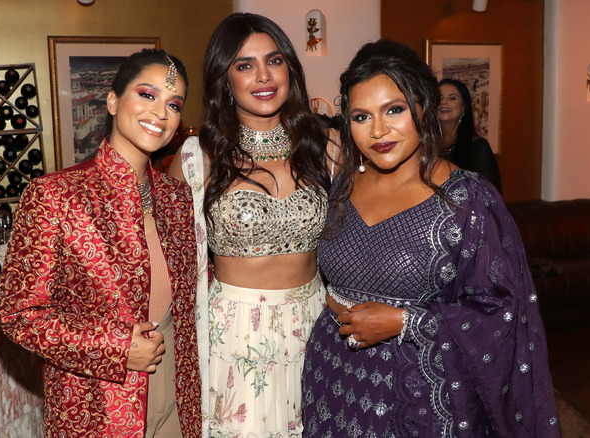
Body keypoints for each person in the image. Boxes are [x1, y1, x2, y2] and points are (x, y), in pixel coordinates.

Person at [301, 39, 561, 437]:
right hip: (335, 375)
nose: (378, 131)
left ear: (422, 106)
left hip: (421, 397)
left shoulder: (469, 200)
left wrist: (404, 322)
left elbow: (502, 312)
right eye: (361, 116)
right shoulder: (344, 183)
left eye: (394, 110)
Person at [0, 49, 201, 437]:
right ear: (112, 100)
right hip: (98, 401)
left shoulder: (177, 198)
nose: (160, 112)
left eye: (173, 104)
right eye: (147, 94)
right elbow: (18, 315)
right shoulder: (55, 195)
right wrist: (116, 348)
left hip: (177, 389)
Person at [169, 12, 338, 437]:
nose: (264, 76)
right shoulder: (197, 157)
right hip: (236, 336)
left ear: (290, 68)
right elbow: (171, 260)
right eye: (244, 65)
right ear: (223, 79)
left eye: (274, 60)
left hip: (317, 326)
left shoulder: (325, 145)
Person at [438, 78, 502, 192]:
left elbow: (489, 196)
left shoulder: (477, 148)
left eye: (452, 98)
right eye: (439, 97)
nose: (444, 102)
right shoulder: (423, 146)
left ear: (463, 108)